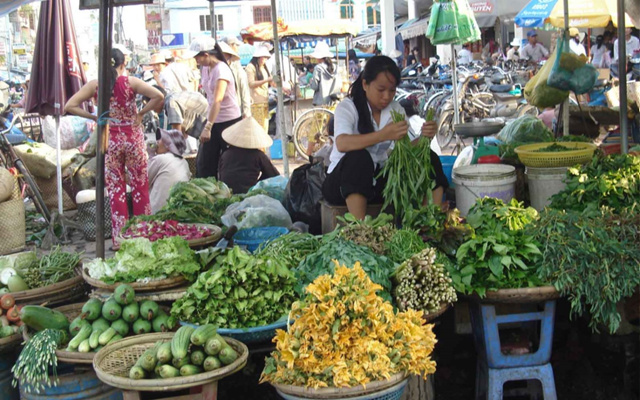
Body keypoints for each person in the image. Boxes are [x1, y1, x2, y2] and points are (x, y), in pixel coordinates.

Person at [322, 55, 448, 219]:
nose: (387, 96)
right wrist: (382, 135)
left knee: (430, 157)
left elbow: (404, 151)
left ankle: (429, 219)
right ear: (365, 84)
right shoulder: (348, 107)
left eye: (392, 90)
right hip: (342, 184)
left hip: (378, 183)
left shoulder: (395, 110)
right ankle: (362, 231)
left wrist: (425, 137)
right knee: (359, 158)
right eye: (381, 90)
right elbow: (342, 143)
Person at [64, 48, 164, 247]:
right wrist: (141, 113)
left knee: (116, 190)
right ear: (123, 63)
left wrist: (95, 117)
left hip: (111, 140)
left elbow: (70, 106)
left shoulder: (96, 85)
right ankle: (143, 234)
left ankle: (120, 239)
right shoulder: (131, 82)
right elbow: (158, 96)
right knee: (140, 187)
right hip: (133, 139)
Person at [184, 36, 242, 179]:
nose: (195, 60)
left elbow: (217, 100)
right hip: (213, 118)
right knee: (204, 164)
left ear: (206, 55)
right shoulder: (205, 68)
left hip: (229, 121)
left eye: (197, 57)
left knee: (230, 162)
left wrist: (208, 127)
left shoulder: (221, 70)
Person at [219, 117, 279, 194]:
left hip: (226, 193)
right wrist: (258, 183)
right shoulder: (258, 155)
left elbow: (221, 175)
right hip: (248, 194)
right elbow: (274, 174)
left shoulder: (226, 154)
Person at [143, 85, 207, 155]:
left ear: (157, 99)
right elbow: (183, 134)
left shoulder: (171, 104)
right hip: (209, 124)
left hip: (210, 128)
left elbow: (177, 138)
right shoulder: (173, 96)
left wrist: (162, 153)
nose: (151, 109)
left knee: (203, 163)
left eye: (150, 105)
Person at [148, 128, 190, 213]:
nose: (157, 142)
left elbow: (143, 181)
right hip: (178, 212)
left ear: (168, 145)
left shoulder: (160, 159)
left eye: (160, 139)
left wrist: (150, 154)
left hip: (157, 214)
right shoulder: (184, 162)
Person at [220, 37, 252, 119]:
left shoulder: (236, 66)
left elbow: (244, 89)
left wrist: (246, 112)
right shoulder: (219, 67)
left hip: (235, 109)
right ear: (231, 46)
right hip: (223, 110)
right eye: (236, 45)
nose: (238, 48)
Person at [245, 45, 273, 134]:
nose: (265, 60)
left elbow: (269, 83)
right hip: (256, 103)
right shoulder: (250, 67)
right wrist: (266, 80)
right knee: (258, 131)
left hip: (264, 101)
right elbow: (251, 84)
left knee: (264, 130)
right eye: (264, 58)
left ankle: (263, 148)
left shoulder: (264, 68)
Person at [309, 41, 341, 106]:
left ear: (318, 57)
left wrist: (311, 82)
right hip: (333, 102)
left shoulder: (318, 68)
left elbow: (314, 86)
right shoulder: (336, 67)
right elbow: (339, 85)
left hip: (321, 103)